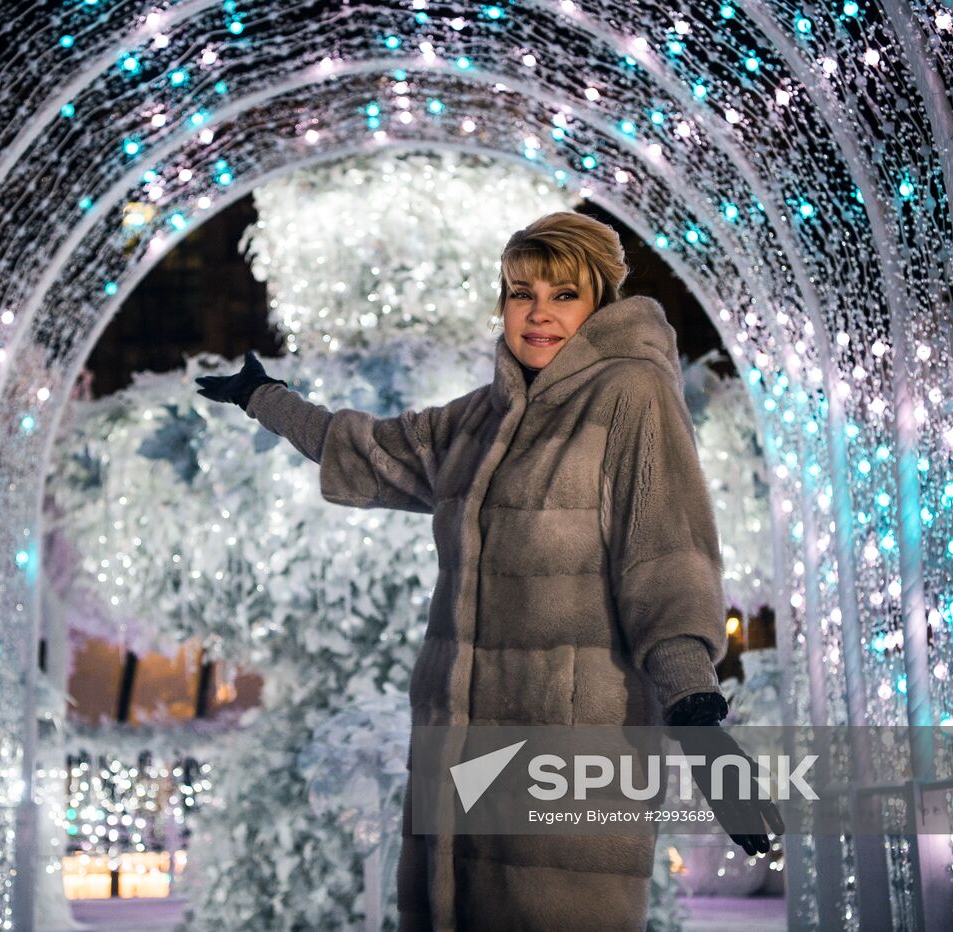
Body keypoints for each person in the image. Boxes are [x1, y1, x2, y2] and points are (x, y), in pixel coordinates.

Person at [196, 211, 783, 930]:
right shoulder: (481, 420)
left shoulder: (631, 395)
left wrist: (699, 721)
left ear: (598, 301)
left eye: (563, 294)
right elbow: (367, 452)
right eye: (519, 292)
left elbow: (666, 562)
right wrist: (266, 398)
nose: (537, 313)